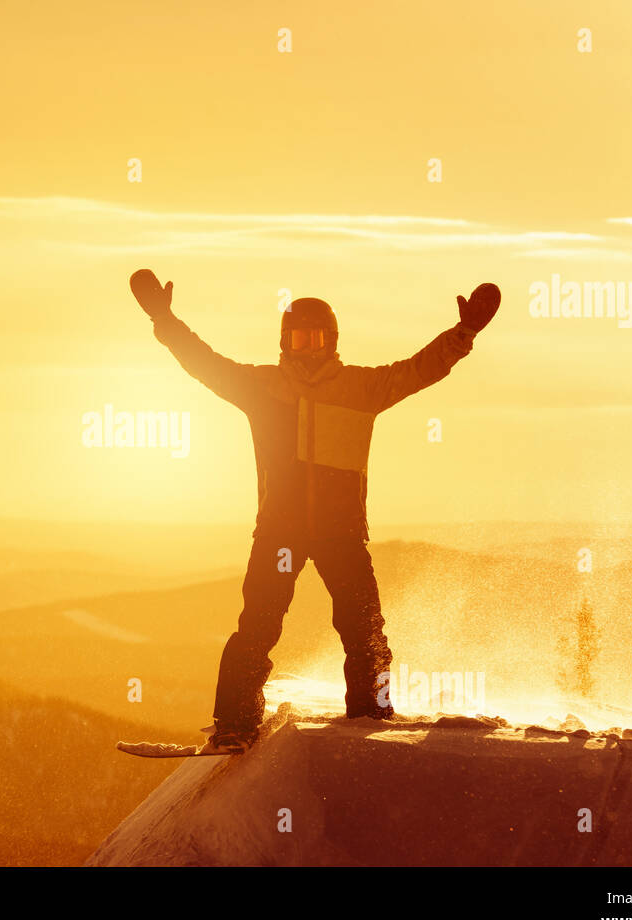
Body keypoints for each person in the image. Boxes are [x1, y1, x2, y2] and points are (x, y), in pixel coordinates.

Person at [130, 271, 500, 753]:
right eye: (299, 337)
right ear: (285, 341)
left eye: (317, 337)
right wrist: (164, 320)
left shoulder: (360, 388)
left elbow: (419, 369)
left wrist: (462, 336)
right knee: (257, 628)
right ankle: (234, 723)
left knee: (364, 627)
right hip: (279, 532)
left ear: (332, 341)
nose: (308, 347)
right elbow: (204, 362)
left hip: (340, 532)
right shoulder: (260, 385)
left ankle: (373, 711)